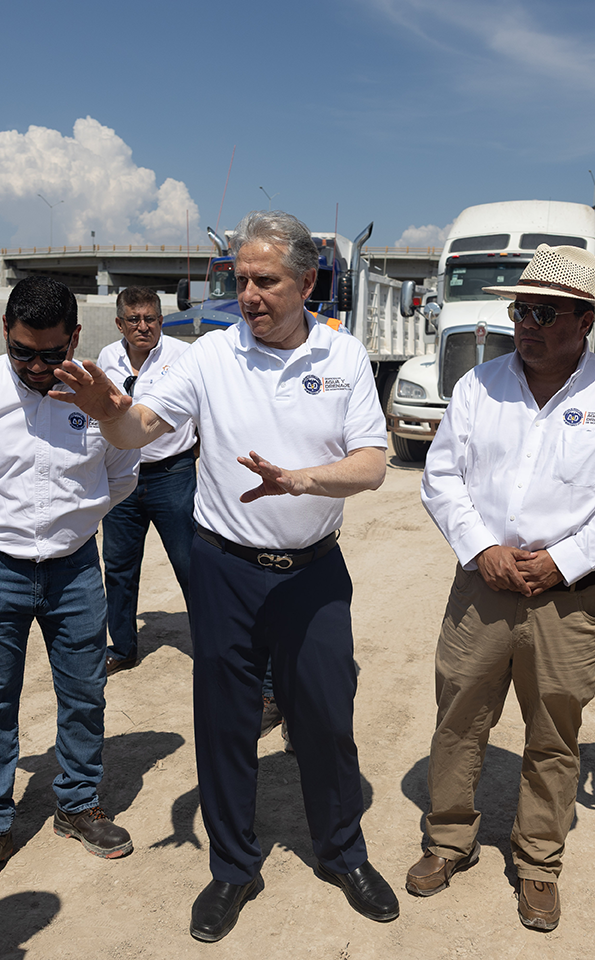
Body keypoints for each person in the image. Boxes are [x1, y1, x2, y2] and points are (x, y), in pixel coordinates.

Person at [54, 210, 398, 942]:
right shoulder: (209, 356)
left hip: (312, 575)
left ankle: (342, 852)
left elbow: (372, 463)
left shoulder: (344, 356)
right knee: (225, 725)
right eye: (240, 279)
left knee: (326, 719)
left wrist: (301, 481)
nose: (248, 294)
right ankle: (234, 867)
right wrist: (107, 411)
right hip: (225, 570)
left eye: (265, 280)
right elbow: (139, 429)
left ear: (307, 282)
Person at [410, 244, 595, 931]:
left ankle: (539, 863)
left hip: (569, 599)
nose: (527, 324)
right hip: (482, 589)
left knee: (554, 735)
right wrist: (481, 548)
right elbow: (442, 476)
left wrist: (563, 561)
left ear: (584, 322)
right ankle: (449, 840)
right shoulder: (478, 386)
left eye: (546, 314)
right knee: (460, 719)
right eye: (522, 310)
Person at [0, 276, 141, 899]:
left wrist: (71, 524)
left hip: (75, 571)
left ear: (76, 337)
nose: (38, 368)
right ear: (4, 336)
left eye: (51, 354)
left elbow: (122, 473)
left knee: (85, 691)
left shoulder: (100, 398)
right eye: (22, 353)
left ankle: (78, 803)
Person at [95, 286, 197, 673]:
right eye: (134, 319)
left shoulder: (183, 356)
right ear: (119, 323)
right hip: (122, 478)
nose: (143, 327)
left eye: (150, 319)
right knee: (118, 567)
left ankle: (210, 646)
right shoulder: (107, 358)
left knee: (191, 565)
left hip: (173, 476)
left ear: (161, 320)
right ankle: (122, 648)